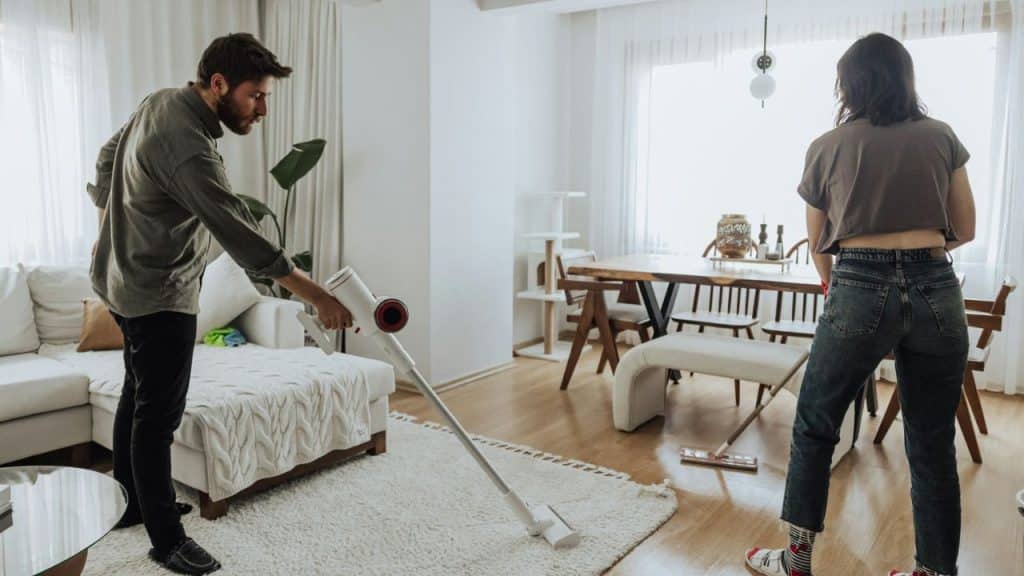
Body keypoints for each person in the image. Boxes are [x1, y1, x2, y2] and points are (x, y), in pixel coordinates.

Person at [87, 33, 351, 575]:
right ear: (218, 84)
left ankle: (133, 503)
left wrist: (108, 212)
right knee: (157, 417)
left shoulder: (160, 99)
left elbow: (108, 155)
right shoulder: (188, 146)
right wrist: (319, 295)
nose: (262, 109)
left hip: (118, 279)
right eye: (256, 95)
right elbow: (243, 235)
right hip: (158, 294)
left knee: (138, 393)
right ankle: (166, 540)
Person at [745, 33, 975, 576]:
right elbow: (963, 228)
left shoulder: (827, 146)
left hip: (857, 285)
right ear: (905, 77)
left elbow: (819, 241)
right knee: (931, 440)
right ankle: (935, 572)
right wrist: (915, 256)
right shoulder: (942, 137)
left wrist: (843, 285)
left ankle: (796, 562)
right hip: (936, 288)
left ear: (848, 85)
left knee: (815, 425)